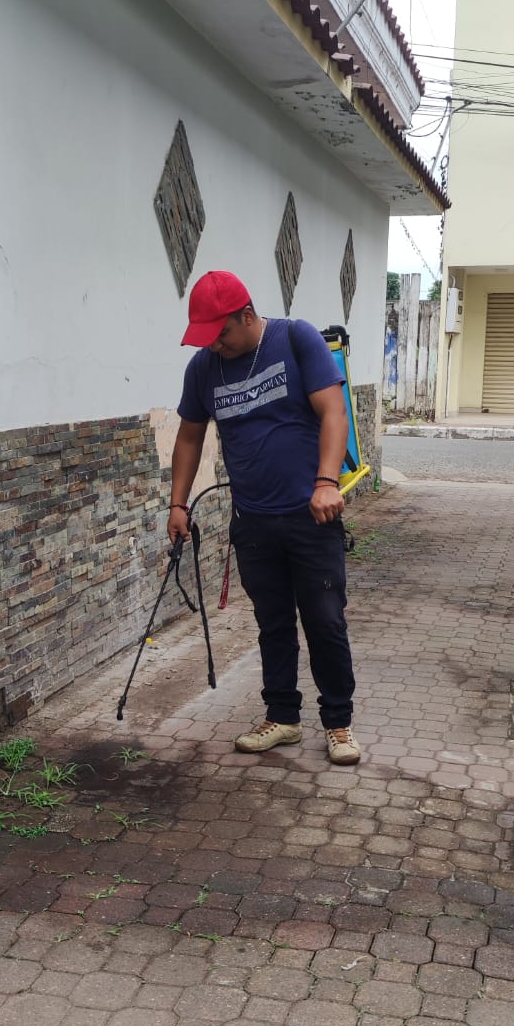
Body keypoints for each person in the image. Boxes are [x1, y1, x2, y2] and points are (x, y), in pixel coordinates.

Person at [167, 269, 360, 765]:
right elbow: (189, 436)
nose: (215, 346)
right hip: (252, 520)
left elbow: (333, 412)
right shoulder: (204, 368)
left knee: (324, 621)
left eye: (222, 334)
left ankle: (338, 723)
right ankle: (283, 717)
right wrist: (178, 504)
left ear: (247, 315)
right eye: (208, 339)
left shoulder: (296, 339)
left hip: (311, 516)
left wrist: (326, 482)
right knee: (272, 623)